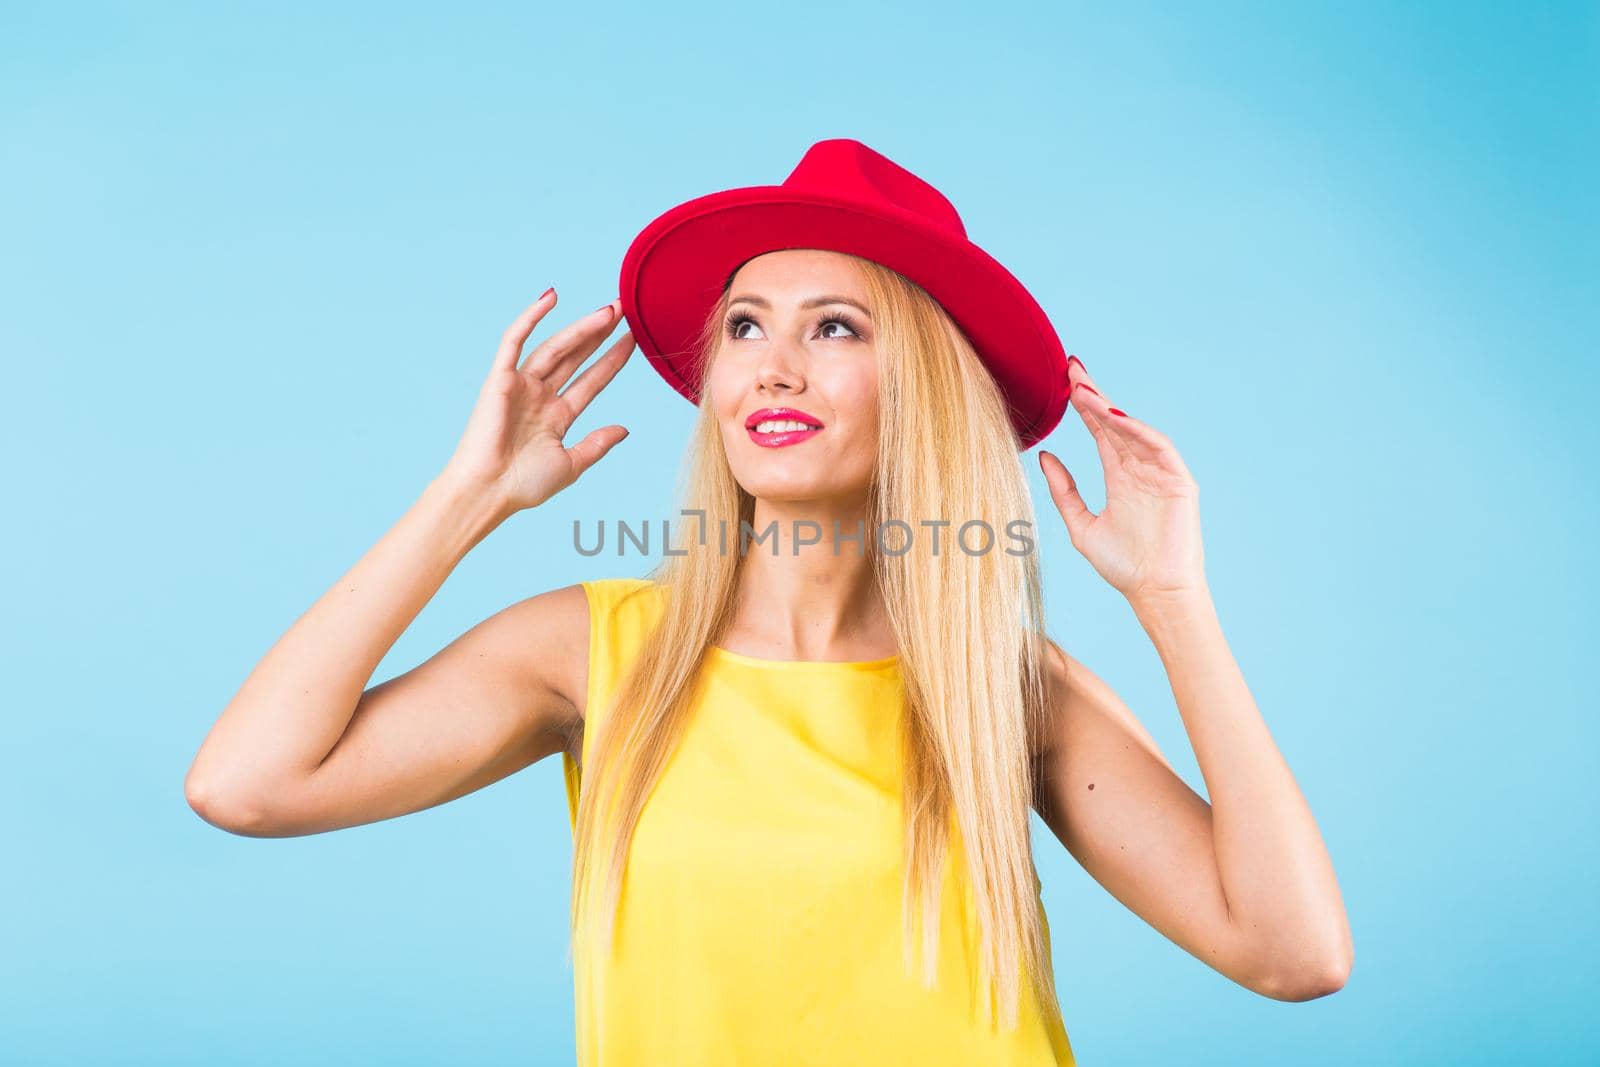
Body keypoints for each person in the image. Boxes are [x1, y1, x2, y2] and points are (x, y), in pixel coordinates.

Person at [185, 139, 1352, 1065]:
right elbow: (246, 784)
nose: (769, 367)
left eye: (833, 327)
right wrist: (466, 498)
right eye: (745, 325)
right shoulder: (589, 652)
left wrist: (1171, 597)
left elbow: (1291, 953)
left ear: (926, 386)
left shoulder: (1008, 686)